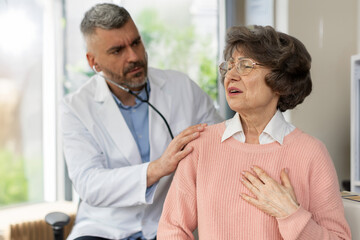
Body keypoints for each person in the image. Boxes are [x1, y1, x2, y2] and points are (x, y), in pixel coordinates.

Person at [157, 25, 351, 239]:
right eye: (229, 67)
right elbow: (172, 229)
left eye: (245, 66)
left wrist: (291, 214)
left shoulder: (311, 153)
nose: (230, 75)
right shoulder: (201, 145)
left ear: (280, 82)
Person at [61, 3, 222, 240]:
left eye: (135, 43)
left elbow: (221, 147)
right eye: (117, 51)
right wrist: (156, 168)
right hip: (105, 228)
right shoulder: (76, 108)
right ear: (93, 62)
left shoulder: (181, 87)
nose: (134, 57)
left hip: (167, 223)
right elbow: (89, 183)